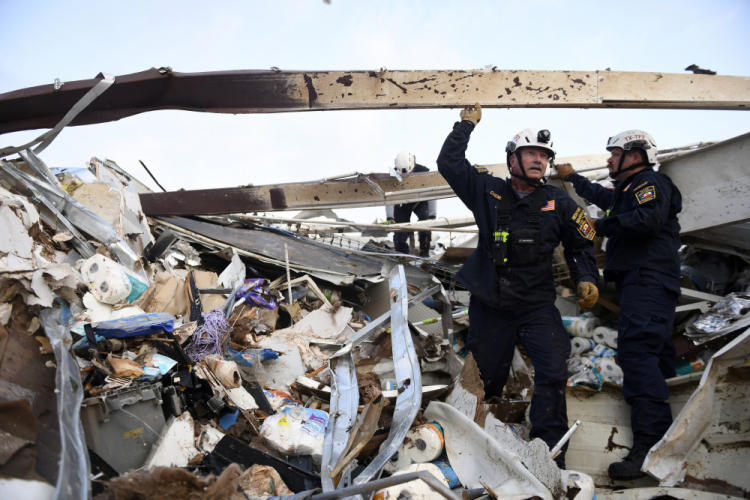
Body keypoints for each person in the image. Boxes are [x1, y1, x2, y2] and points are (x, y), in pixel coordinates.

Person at [437, 104, 599, 469]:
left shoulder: (560, 202)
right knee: (484, 381)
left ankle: (549, 458)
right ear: (512, 158)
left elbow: (580, 245)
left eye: (544, 156)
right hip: (492, 305)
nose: (539, 161)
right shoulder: (487, 191)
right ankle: (469, 452)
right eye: (531, 153)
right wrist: (465, 125)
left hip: (536, 307)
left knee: (554, 372)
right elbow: (449, 163)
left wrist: (587, 277)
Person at [552, 130, 682, 480]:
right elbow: (606, 198)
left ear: (636, 155)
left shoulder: (650, 182)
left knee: (638, 355)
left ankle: (650, 449)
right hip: (643, 282)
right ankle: (673, 444)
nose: (608, 159)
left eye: (614, 153)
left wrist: (600, 225)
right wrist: (572, 178)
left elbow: (647, 219)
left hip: (648, 279)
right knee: (654, 356)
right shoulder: (628, 191)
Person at [384, 150, 437, 256]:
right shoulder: (392, 175)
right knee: (399, 232)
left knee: (425, 222)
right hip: (401, 204)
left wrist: (432, 215)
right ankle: (402, 257)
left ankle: (424, 254)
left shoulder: (424, 172)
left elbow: (433, 192)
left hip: (418, 201)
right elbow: (388, 196)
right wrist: (390, 217)